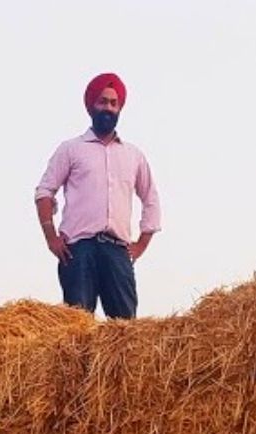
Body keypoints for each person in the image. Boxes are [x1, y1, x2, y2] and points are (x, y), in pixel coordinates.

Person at [33, 72, 162, 319]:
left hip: (117, 251)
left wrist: (141, 245)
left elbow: (151, 199)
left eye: (114, 103)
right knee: (78, 329)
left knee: (125, 332)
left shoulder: (133, 155)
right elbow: (44, 192)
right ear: (92, 105)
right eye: (103, 101)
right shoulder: (71, 149)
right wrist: (51, 236)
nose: (108, 108)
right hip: (78, 250)